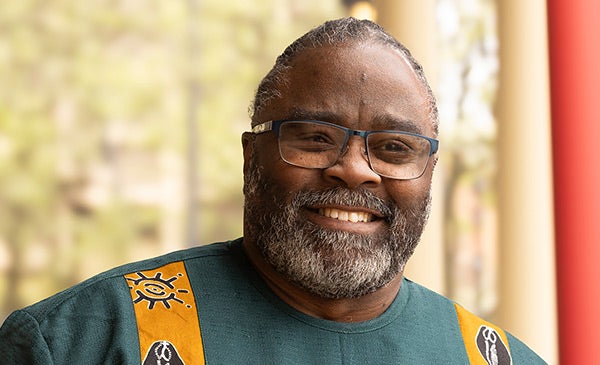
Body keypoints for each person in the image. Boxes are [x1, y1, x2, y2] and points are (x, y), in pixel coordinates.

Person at [0, 17, 546, 364]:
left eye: (394, 148)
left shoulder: (497, 359)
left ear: (429, 173)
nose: (354, 171)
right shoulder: (87, 341)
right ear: (249, 158)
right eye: (315, 138)